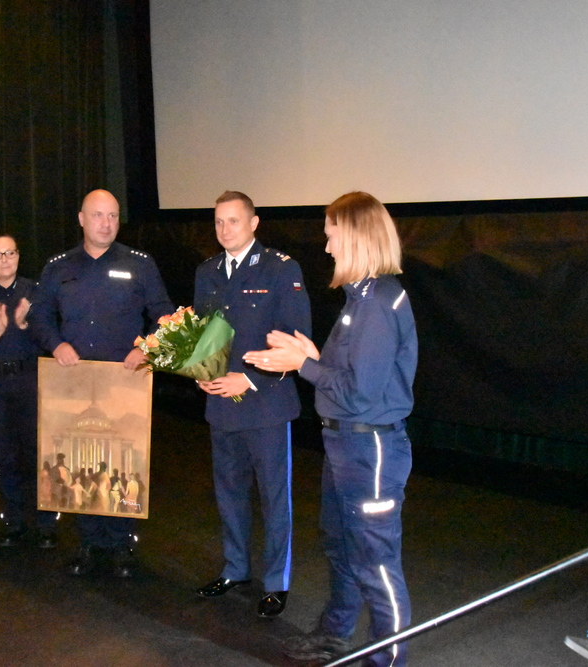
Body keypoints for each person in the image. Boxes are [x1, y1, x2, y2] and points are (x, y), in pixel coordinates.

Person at [243, 192, 417, 666]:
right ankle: (335, 635)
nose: (327, 245)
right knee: (342, 547)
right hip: (346, 445)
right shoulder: (360, 299)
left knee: (376, 564)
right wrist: (313, 357)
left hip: (370, 451)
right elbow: (355, 374)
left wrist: (304, 364)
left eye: (332, 233)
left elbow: (361, 393)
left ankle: (387, 660)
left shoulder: (378, 303)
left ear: (357, 236)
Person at [22, 188, 174, 578]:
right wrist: (56, 345)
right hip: (75, 379)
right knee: (79, 465)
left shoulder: (139, 264)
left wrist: (148, 348)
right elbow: (39, 317)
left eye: (113, 216)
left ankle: (123, 545)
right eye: (98, 215)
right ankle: (89, 543)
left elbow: (164, 314)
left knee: (123, 467)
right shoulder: (58, 267)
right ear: (81, 219)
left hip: (124, 379)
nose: (106, 223)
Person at [193, 191, 312, 618]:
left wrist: (250, 377)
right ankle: (236, 568)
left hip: (266, 404)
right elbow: (205, 336)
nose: (225, 230)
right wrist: (202, 373)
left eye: (234, 221)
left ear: (254, 223)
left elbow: (297, 338)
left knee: (273, 496)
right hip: (221, 404)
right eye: (219, 222)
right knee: (229, 493)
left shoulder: (282, 269)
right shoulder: (206, 272)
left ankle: (276, 582)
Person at [0, 234, 58, 549]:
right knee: (4, 455)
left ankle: (46, 524)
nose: (5, 259)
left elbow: (50, 338)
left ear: (18, 255)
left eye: (11, 252)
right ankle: (14, 521)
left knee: (37, 453)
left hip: (29, 379)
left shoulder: (35, 292)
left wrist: (26, 326)